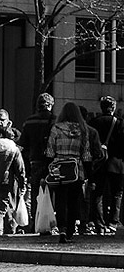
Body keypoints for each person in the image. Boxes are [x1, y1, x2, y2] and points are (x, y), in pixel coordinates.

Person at [45, 102, 92, 243]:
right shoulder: (83, 130)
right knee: (73, 202)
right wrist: (89, 174)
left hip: (59, 168)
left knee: (60, 200)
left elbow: (49, 151)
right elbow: (86, 154)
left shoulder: (56, 128)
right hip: (77, 169)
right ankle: (71, 230)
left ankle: (62, 229)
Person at [18, 93, 57, 230]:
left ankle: (36, 221)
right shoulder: (55, 121)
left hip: (35, 162)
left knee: (35, 193)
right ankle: (52, 223)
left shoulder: (29, 121)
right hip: (52, 162)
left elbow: (23, 144)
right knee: (53, 191)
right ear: (50, 105)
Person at [88, 96, 124, 234]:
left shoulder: (93, 122)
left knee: (97, 193)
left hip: (98, 163)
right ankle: (113, 222)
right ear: (113, 108)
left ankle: (99, 223)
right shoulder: (120, 123)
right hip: (116, 162)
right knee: (117, 193)